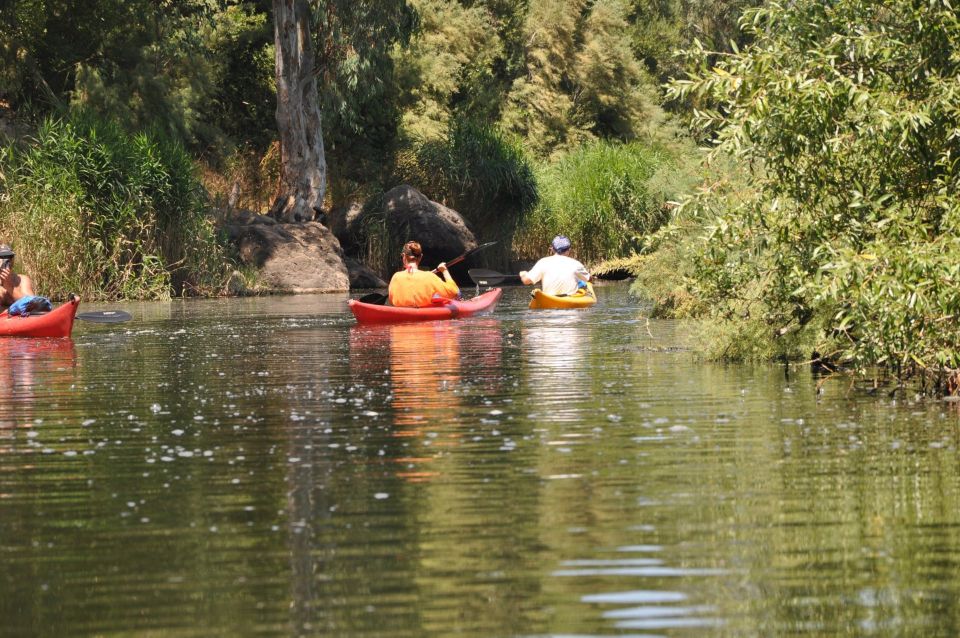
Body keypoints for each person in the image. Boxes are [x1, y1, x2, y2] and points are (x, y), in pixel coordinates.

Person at [388, 241, 460, 307]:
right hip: (424, 317)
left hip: (400, 315)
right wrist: (444, 271)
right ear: (421, 257)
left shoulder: (395, 277)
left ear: (403, 256)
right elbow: (455, 293)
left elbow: (391, 302)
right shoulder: (429, 276)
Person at [519, 234, 591, 296]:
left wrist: (523, 274)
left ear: (552, 249)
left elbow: (526, 281)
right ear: (569, 250)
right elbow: (589, 279)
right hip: (570, 304)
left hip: (549, 303)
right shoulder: (576, 264)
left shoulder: (543, 262)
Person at [0, 244, 36, 311]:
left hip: (20, 318)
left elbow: (33, 305)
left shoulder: (22, 280)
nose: (7, 261)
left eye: (10, 257)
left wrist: (10, 287)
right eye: (2, 257)